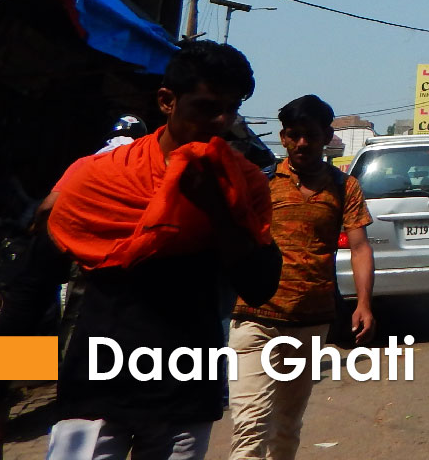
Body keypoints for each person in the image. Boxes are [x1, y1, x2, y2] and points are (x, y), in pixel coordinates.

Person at [45, 41, 281, 460]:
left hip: (185, 391)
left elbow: (260, 285)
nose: (222, 122)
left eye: (232, 108)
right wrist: (7, 378)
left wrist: (218, 212)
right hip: (95, 387)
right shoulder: (99, 176)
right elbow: (31, 284)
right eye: (207, 108)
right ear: (167, 101)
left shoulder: (242, 184)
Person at [228, 94, 374, 460]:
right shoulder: (260, 182)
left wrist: (364, 304)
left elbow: (359, 247)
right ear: (283, 136)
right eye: (293, 135)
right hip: (254, 319)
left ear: (326, 135)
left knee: (286, 428)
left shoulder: (344, 188)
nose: (301, 144)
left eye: (310, 135)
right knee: (250, 427)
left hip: (310, 322)